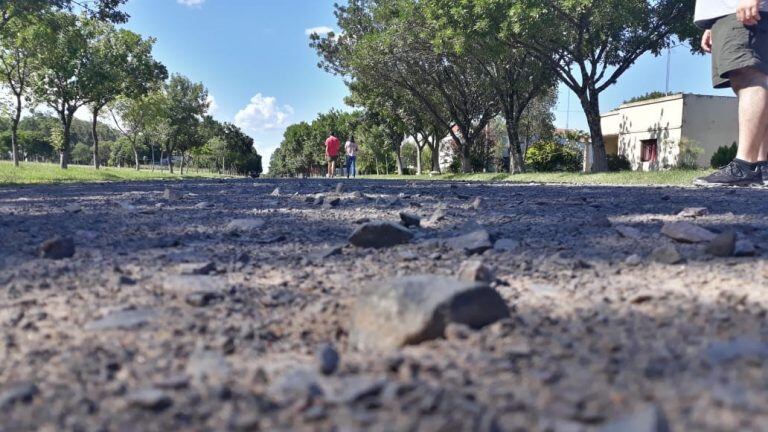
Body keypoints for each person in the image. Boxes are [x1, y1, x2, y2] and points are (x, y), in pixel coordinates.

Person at [694, 0, 768, 186]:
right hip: (730, 12)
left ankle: (745, 165)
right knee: (753, 79)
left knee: (749, 78)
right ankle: (760, 165)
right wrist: (713, 22)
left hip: (744, 8)